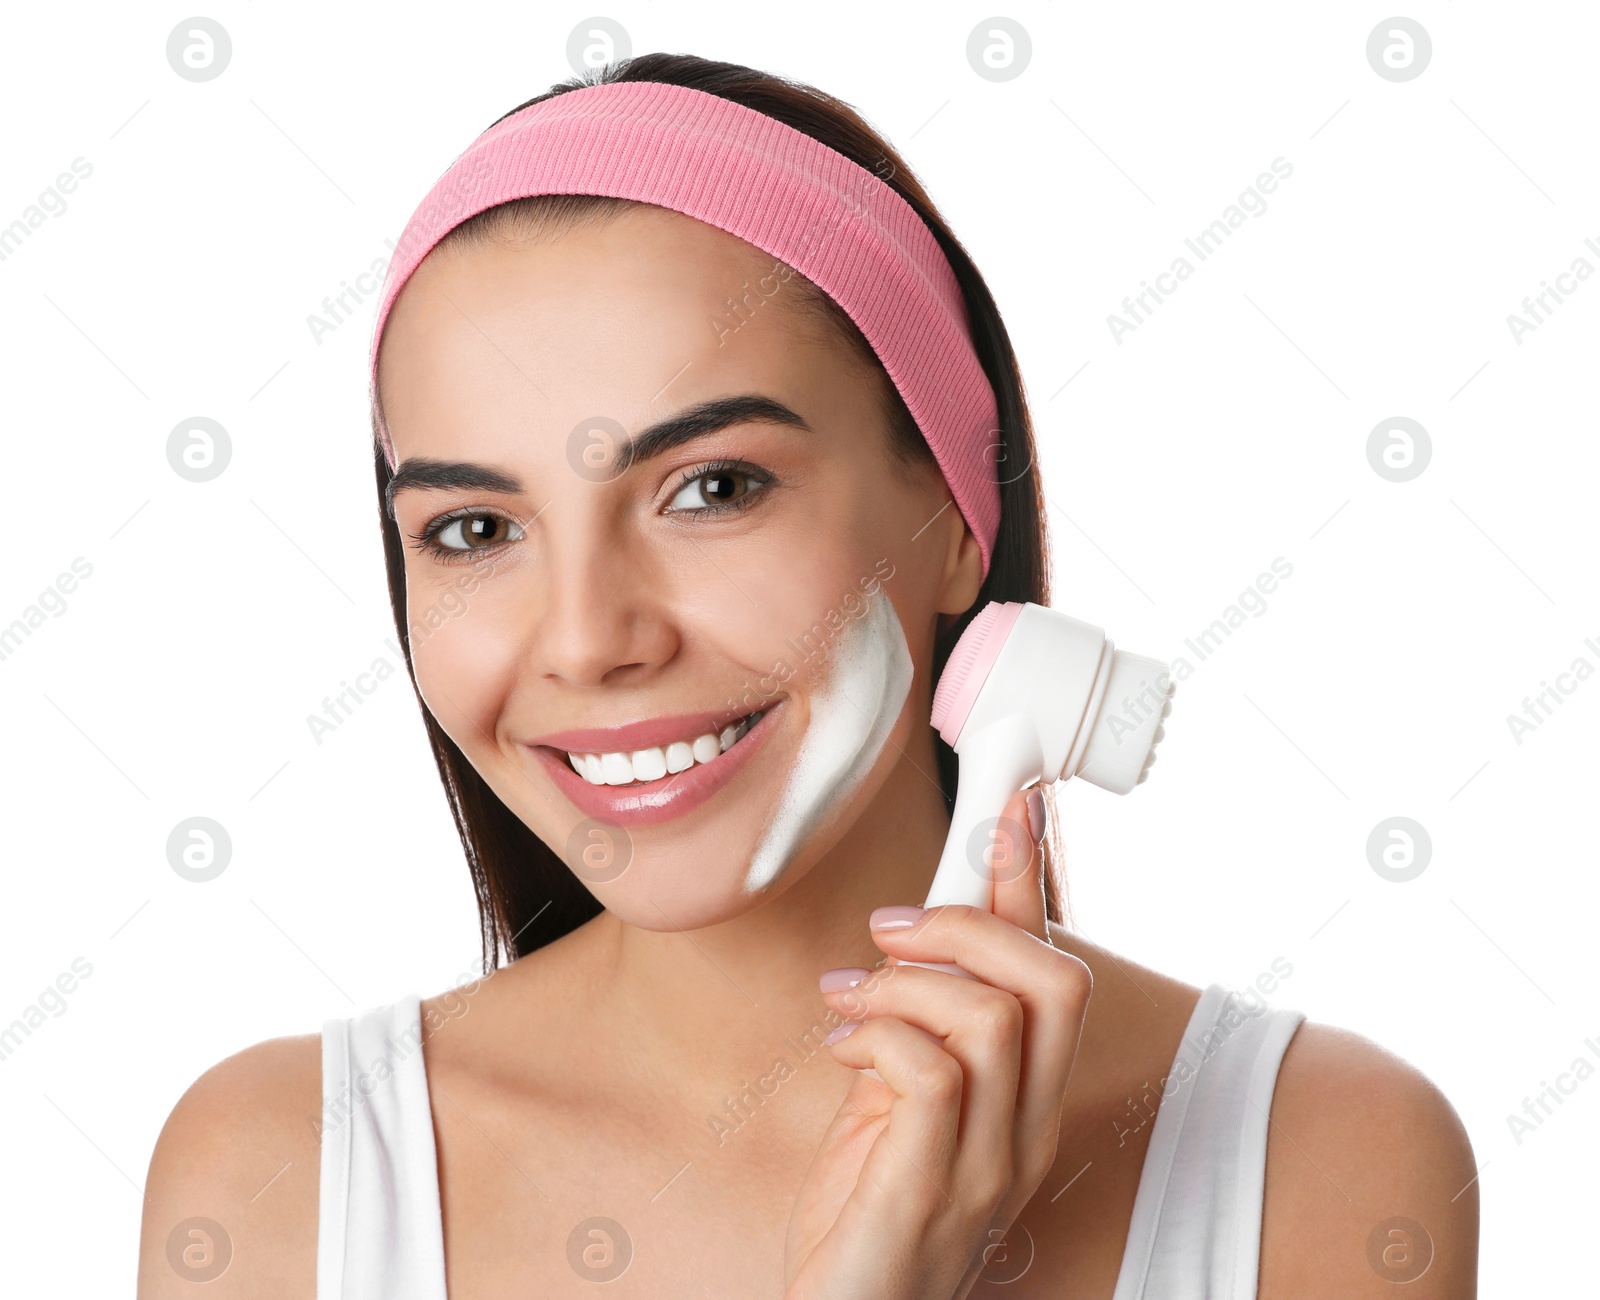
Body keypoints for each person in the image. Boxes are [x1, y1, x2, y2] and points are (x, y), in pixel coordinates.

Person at [137, 53, 1479, 1298]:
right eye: (476, 529)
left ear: (957, 513)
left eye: (712, 488)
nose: (587, 637)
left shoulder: (1324, 1158)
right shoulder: (275, 1183)